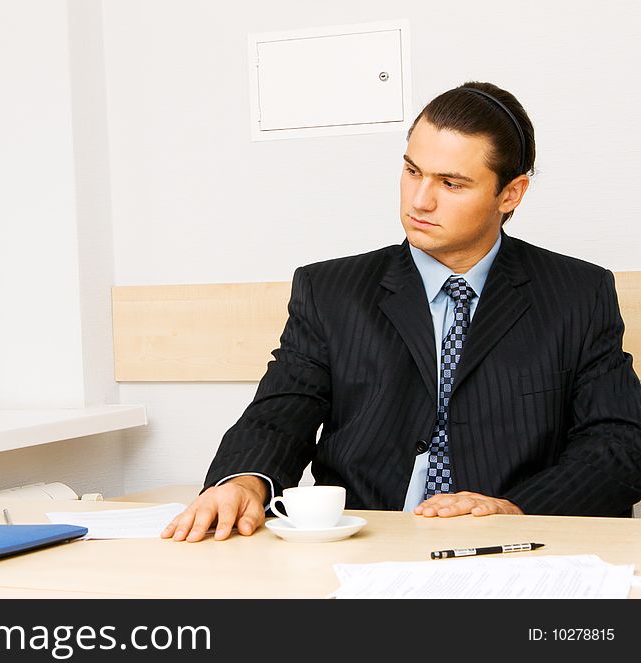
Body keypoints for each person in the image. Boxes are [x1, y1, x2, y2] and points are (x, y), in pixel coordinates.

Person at [162, 81, 641, 543]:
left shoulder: (578, 292)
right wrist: (243, 482)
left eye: (451, 183)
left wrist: (516, 509)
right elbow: (280, 412)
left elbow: (621, 442)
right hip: (365, 544)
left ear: (510, 194)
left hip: (509, 550)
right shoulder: (330, 290)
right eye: (413, 171)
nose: (419, 200)